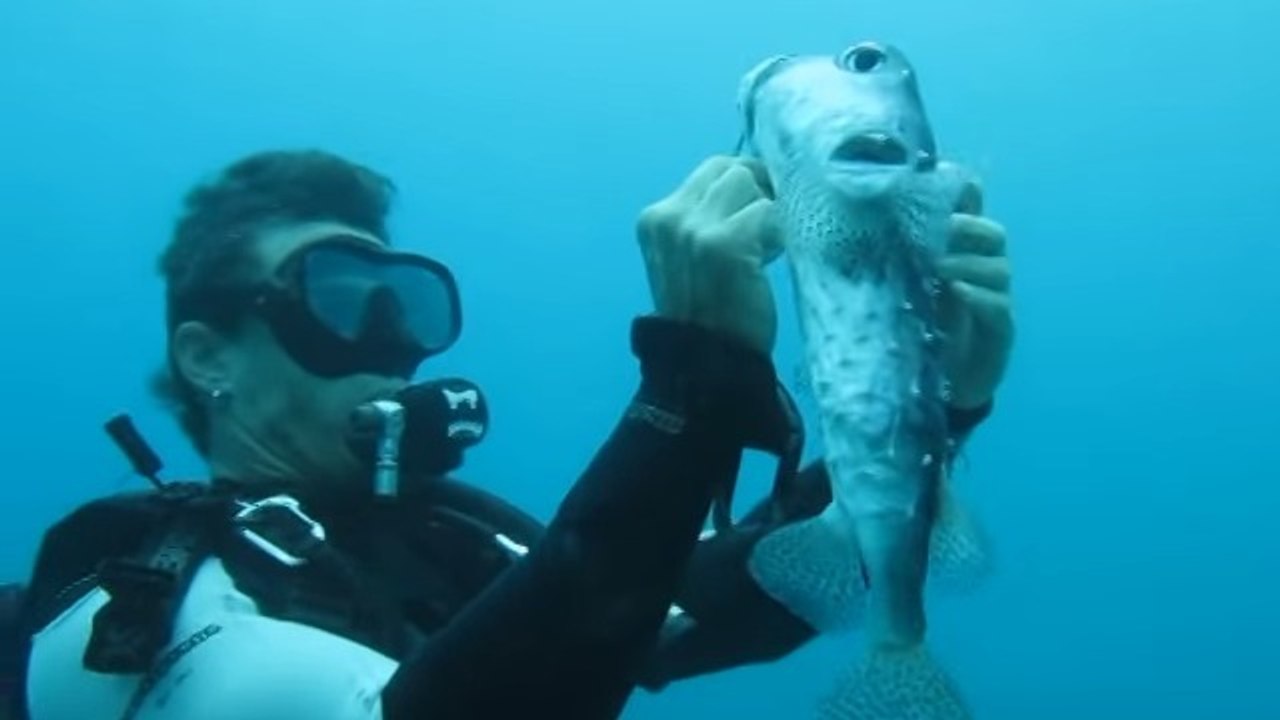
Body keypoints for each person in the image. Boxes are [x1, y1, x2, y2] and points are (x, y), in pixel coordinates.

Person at [3, 148, 1013, 720]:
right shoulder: (155, 586)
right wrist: (694, 384)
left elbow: (713, 599)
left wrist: (927, 411)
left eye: (408, 305)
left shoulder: (456, 536)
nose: (394, 341)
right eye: (344, 299)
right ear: (207, 356)